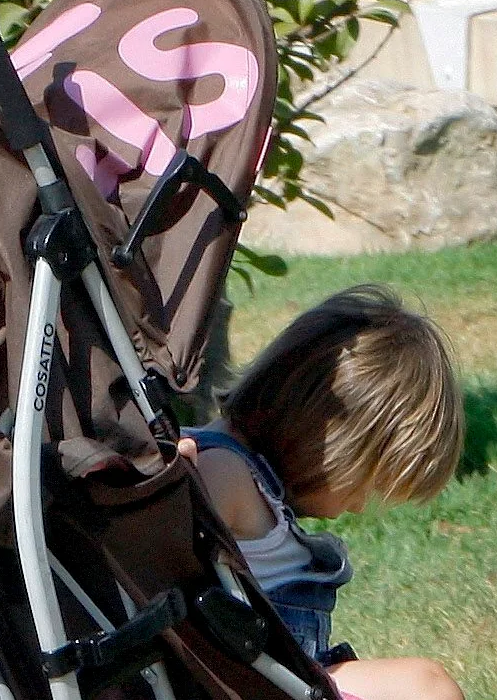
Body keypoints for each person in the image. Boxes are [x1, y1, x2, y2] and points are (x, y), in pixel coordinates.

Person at [187, 284, 467, 700]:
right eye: (367, 486)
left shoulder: (238, 475)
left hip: (281, 677)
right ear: (333, 443)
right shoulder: (222, 471)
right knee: (427, 687)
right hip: (254, 685)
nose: (357, 506)